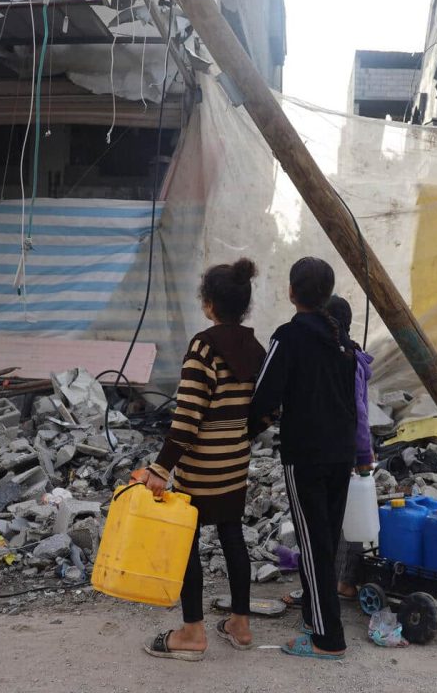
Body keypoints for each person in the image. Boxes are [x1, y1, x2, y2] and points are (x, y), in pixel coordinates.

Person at [139, 259, 266, 662]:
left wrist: (160, 468)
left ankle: (192, 632)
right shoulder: (257, 350)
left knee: (188, 544)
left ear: (209, 304)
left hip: (201, 469)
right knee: (232, 536)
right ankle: (240, 625)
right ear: (243, 306)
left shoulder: (203, 347)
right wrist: (237, 435)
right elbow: (265, 411)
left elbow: (187, 416)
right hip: (235, 464)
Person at [249, 258, 356, 660]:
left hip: (306, 453)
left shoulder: (289, 337)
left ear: (291, 292)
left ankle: (328, 639)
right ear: (327, 294)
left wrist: (245, 430)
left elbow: (263, 396)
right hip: (340, 451)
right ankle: (316, 614)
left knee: (312, 543)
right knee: (324, 537)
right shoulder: (344, 341)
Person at [326, 294, 375, 600]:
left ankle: (343, 582)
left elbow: (358, 410)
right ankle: (345, 580)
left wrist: (363, 453)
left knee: (344, 518)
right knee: (351, 515)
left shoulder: (344, 359)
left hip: (341, 448)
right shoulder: (352, 355)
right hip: (348, 446)